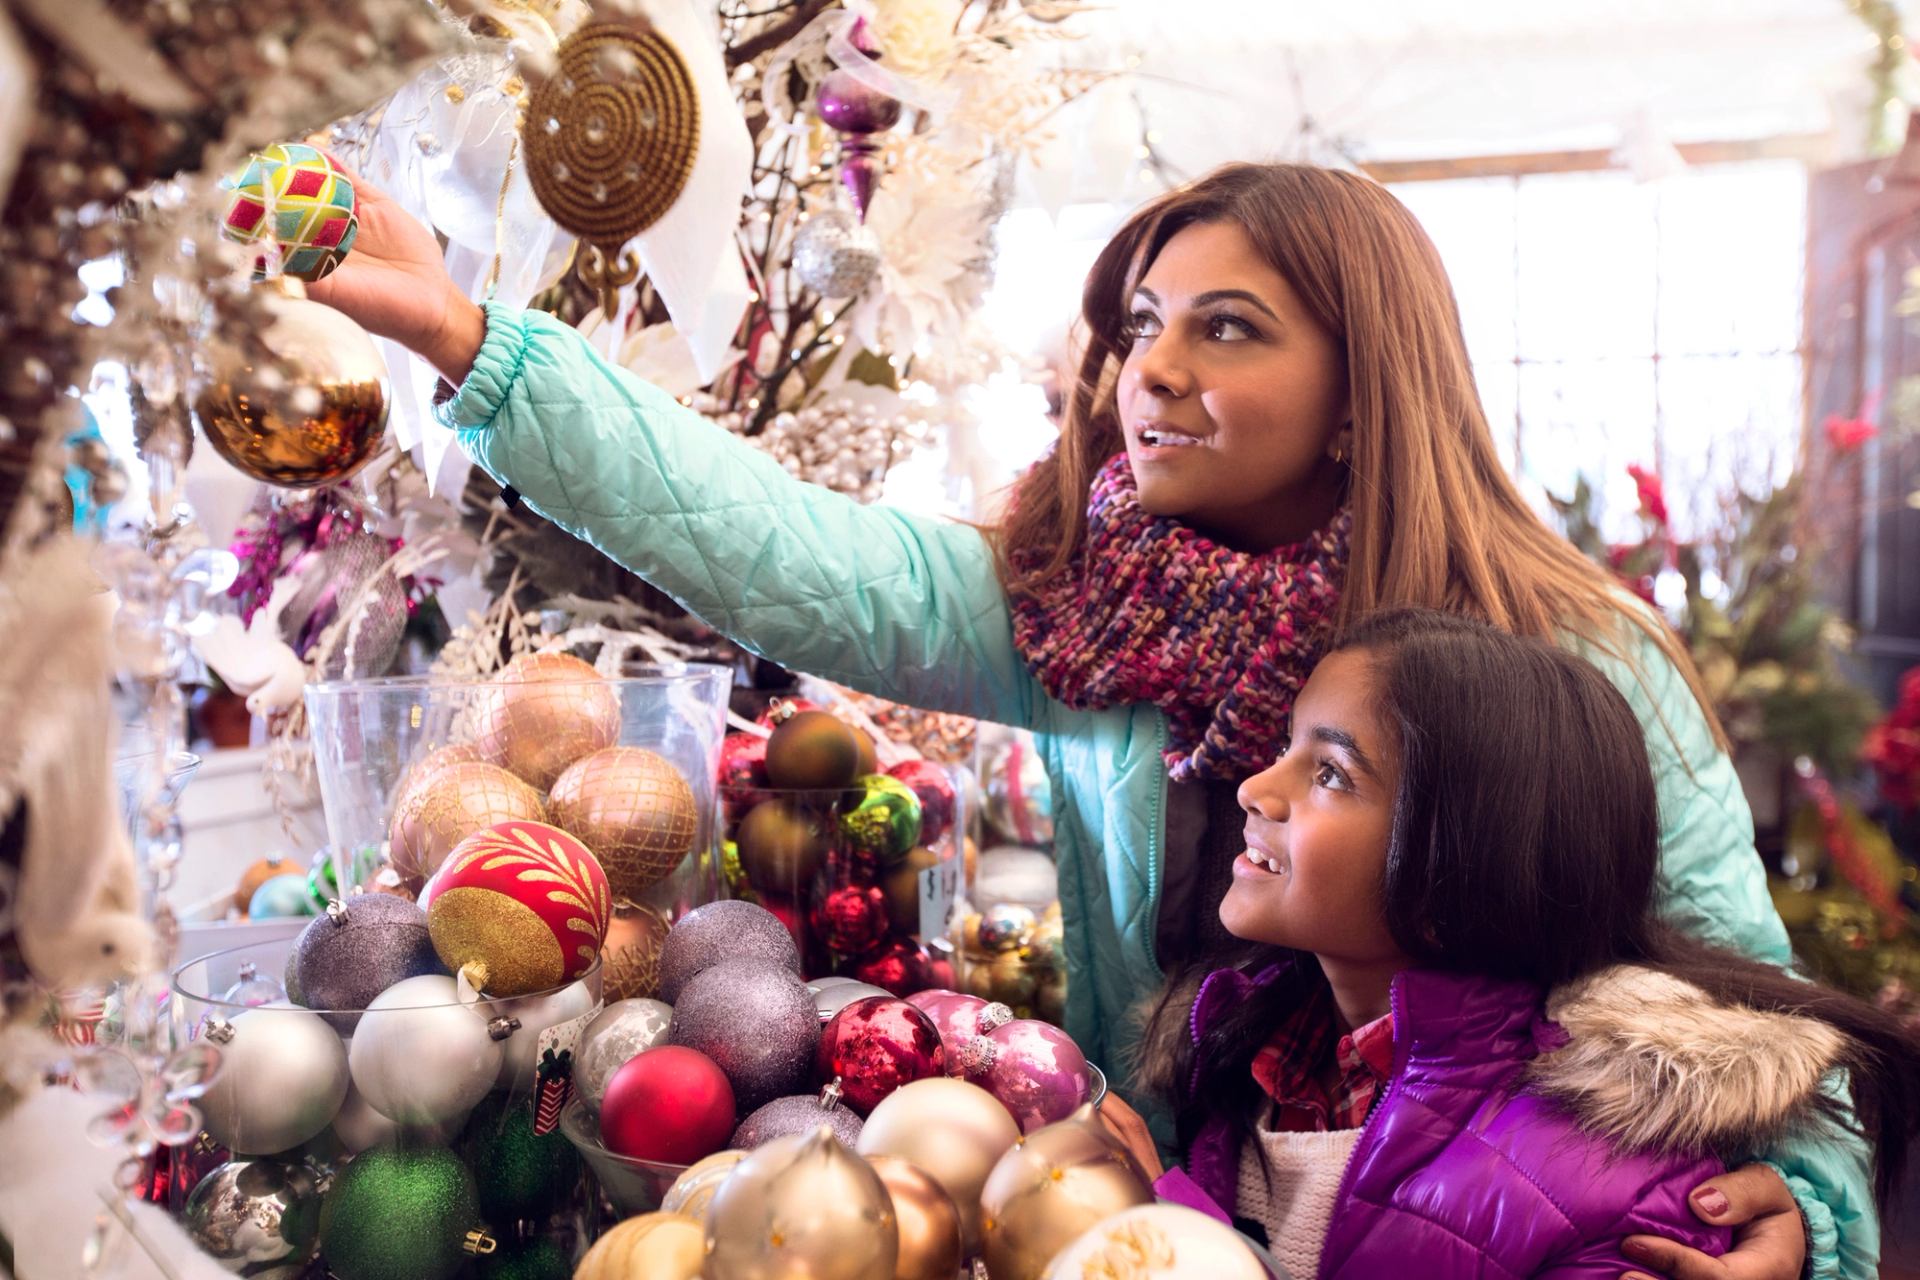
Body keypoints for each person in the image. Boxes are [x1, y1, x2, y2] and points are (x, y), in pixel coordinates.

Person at [310, 158, 1875, 1276]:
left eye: (1228, 327)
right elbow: (789, 556)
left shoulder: (1573, 659)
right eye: (1139, 324)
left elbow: (1746, 1008)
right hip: (1173, 1221)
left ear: (1365, 380)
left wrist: (1805, 1212)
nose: (1151, 371)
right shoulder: (1080, 606)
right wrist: (470, 340)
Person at [1123, 608, 1920, 1279]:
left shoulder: (1612, 1196)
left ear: (1458, 870)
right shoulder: (1258, 1050)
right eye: (1287, 749)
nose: (1255, 788)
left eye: (1329, 772)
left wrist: (1161, 1217)